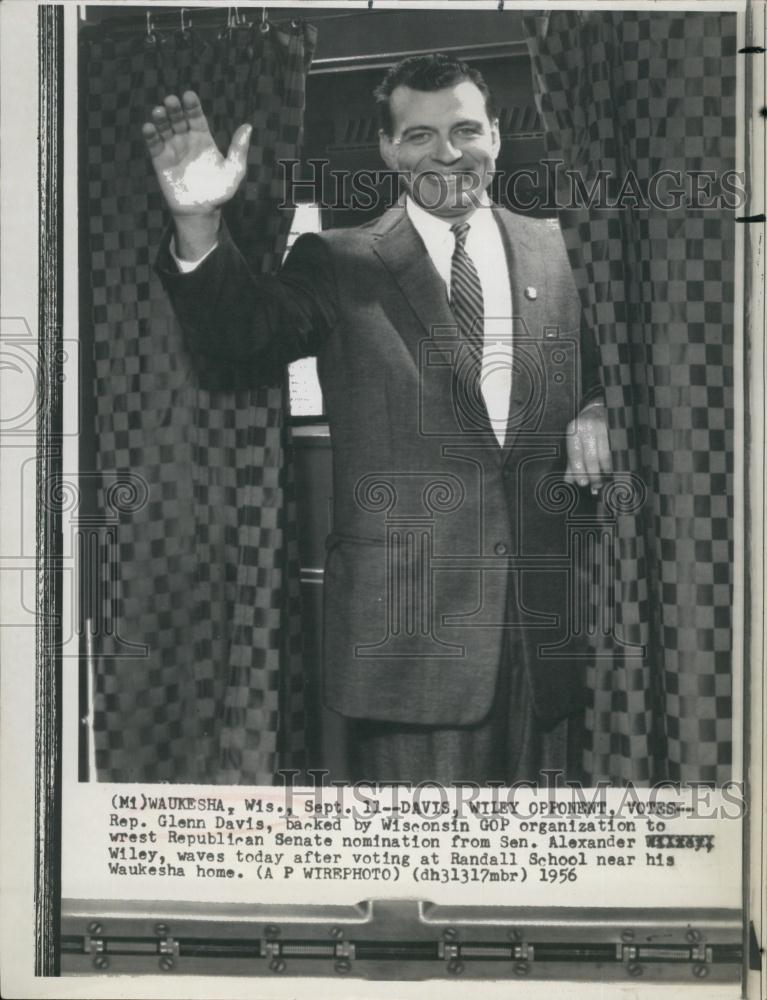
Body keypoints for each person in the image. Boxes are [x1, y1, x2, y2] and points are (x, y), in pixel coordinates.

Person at [143, 53, 612, 786]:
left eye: (465, 129)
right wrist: (197, 222)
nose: (447, 152)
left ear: (495, 134)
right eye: (420, 135)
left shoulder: (563, 250)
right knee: (417, 881)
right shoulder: (334, 259)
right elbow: (241, 337)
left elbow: (608, 372)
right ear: (389, 150)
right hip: (409, 633)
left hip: (544, 627)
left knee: (539, 880)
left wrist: (598, 408)